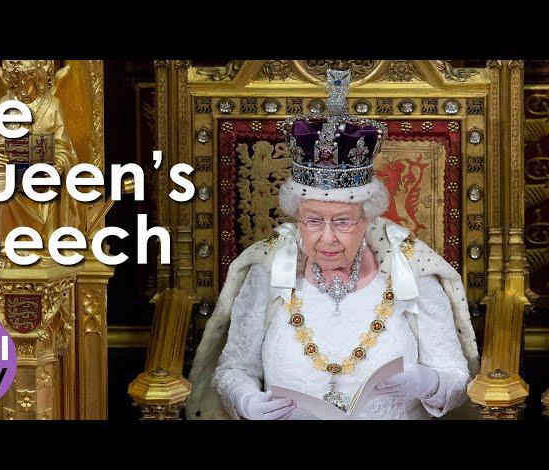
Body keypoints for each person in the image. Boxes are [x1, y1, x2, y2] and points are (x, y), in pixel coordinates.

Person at [186, 70, 479, 420]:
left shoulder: (411, 276)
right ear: (297, 218)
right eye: (312, 220)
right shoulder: (267, 274)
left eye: (342, 221)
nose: (326, 237)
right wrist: (247, 401)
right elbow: (233, 369)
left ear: (367, 218)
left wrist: (428, 382)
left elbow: (458, 379)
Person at [0, 60, 81, 246]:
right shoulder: (6, 104)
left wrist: (59, 162)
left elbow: (64, 147)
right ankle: (6, 249)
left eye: (25, 79)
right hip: (9, 172)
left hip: (42, 173)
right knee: (1, 193)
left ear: (36, 77)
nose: (20, 86)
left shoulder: (52, 106)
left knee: (48, 189)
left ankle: (43, 243)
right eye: (15, 80)